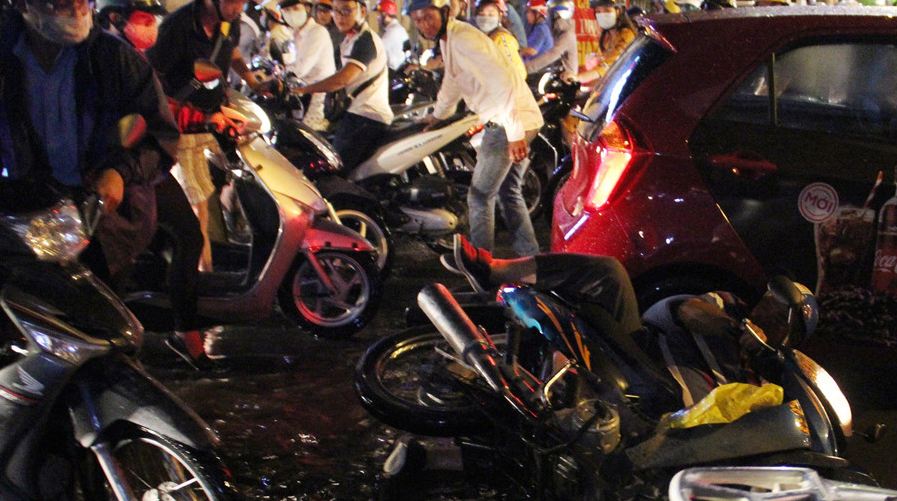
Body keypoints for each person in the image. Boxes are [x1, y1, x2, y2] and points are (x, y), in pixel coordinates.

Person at [0, 0, 179, 280]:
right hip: (28, 222)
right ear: (24, 4)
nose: (77, 10)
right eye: (61, 4)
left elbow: (161, 136)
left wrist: (119, 172)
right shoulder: (6, 58)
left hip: (103, 226)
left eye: (84, 1)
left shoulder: (115, 59)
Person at [147, 0, 271, 363]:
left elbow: (223, 62)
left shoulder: (228, 26)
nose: (238, 6)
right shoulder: (175, 29)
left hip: (200, 126)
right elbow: (158, 90)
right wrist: (204, 115)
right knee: (191, 224)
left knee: (194, 218)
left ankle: (194, 293)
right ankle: (190, 309)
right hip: (171, 137)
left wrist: (237, 93)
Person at [96, 0, 212, 370]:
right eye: (143, 19)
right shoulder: (94, 58)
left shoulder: (136, 59)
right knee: (110, 263)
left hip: (139, 169)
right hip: (102, 179)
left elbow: (159, 119)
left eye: (152, 20)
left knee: (187, 234)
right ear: (115, 18)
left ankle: (185, 332)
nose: (150, 27)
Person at [409, 0, 542, 257]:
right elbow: (453, 80)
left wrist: (514, 134)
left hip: (506, 122)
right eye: (417, 20)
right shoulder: (450, 39)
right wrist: (437, 115)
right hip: (518, 118)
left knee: (479, 196)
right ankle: (531, 256)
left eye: (428, 17)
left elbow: (502, 83)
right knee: (508, 191)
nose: (424, 24)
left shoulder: (463, 39)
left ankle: (481, 263)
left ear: (444, 12)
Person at [293, 0, 393, 171]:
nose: (339, 17)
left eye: (346, 11)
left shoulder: (365, 40)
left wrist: (304, 90)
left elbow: (342, 79)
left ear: (362, 11)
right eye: (336, 11)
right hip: (354, 114)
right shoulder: (349, 40)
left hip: (366, 116)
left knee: (334, 170)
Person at [280, 0, 335, 130]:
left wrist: (281, 74)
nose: (291, 14)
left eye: (295, 8)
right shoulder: (293, 34)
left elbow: (300, 69)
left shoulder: (317, 32)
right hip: (301, 94)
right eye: (286, 10)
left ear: (307, 8)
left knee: (306, 133)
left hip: (316, 97)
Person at [577, 0, 634, 85]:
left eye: (607, 10)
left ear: (618, 11)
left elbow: (611, 63)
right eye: (598, 12)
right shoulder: (606, 36)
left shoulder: (627, 35)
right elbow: (602, 61)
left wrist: (580, 77)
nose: (602, 15)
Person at [523, 0, 577, 78]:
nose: (547, 17)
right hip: (555, 77)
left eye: (551, 15)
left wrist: (525, 68)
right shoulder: (557, 32)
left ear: (558, 15)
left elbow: (551, 55)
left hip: (566, 80)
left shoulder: (567, 36)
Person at [473, 0, 525, 80]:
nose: (486, 18)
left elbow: (516, 73)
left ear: (500, 16)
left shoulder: (501, 39)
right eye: (481, 14)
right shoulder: (484, 37)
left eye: (491, 14)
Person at [375, 0, 408, 71]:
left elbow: (376, 51)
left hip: (395, 72)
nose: (377, 18)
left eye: (378, 14)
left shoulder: (393, 31)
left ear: (384, 14)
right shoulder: (396, 29)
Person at [313, 0, 342, 67]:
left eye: (326, 10)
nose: (322, 14)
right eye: (319, 10)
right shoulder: (314, 29)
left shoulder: (338, 32)